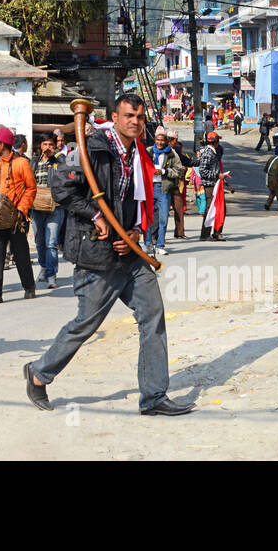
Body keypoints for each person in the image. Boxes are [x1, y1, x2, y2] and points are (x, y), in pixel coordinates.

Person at [24, 94, 192, 417]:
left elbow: (141, 204)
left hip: (130, 254)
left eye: (140, 117)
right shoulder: (90, 149)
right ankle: (37, 372)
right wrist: (96, 216)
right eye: (129, 115)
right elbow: (61, 188)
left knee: (153, 314)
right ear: (114, 117)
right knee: (85, 324)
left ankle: (154, 395)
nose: (136, 122)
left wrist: (136, 233)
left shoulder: (140, 154)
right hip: (96, 255)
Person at [0, 127, 37, 304]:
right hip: (1, 217)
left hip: (17, 218)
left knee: (21, 254)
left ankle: (29, 286)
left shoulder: (22, 163)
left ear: (3, 144)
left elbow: (31, 188)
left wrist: (22, 210)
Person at [31, 134, 66, 288]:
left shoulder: (60, 161)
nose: (47, 148)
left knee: (51, 243)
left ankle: (52, 275)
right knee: (39, 242)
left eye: (51, 145)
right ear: (40, 146)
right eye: (45, 144)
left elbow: (66, 175)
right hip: (37, 208)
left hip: (55, 207)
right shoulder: (34, 162)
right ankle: (44, 267)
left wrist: (55, 158)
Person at [147, 127, 183, 256]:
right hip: (149, 188)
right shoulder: (148, 152)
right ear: (155, 140)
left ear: (166, 141)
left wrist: (164, 172)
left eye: (162, 140)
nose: (160, 143)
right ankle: (148, 243)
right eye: (158, 140)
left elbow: (179, 170)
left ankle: (160, 245)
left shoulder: (172, 154)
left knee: (163, 218)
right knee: (149, 218)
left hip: (164, 188)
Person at [197, 131, 229, 241]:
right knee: (211, 210)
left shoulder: (213, 152)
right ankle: (206, 234)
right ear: (215, 142)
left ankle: (216, 232)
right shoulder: (207, 153)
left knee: (220, 209)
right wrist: (217, 175)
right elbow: (203, 171)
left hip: (215, 184)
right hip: (210, 185)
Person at [169, 137, 191, 239]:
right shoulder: (159, 152)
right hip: (164, 185)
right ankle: (157, 237)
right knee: (161, 212)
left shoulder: (177, 154)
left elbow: (188, 162)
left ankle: (179, 232)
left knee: (179, 208)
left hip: (176, 185)